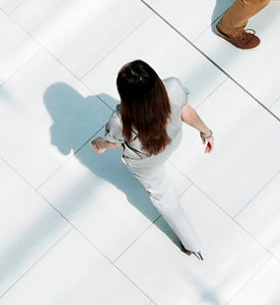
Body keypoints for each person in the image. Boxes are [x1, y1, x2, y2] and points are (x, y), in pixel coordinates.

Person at [91, 60, 213, 259]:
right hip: (173, 141)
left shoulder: (120, 121)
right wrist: (206, 133)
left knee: (164, 197)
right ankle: (192, 245)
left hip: (147, 162)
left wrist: (99, 144)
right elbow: (186, 112)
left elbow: (113, 143)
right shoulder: (173, 87)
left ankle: (192, 244)